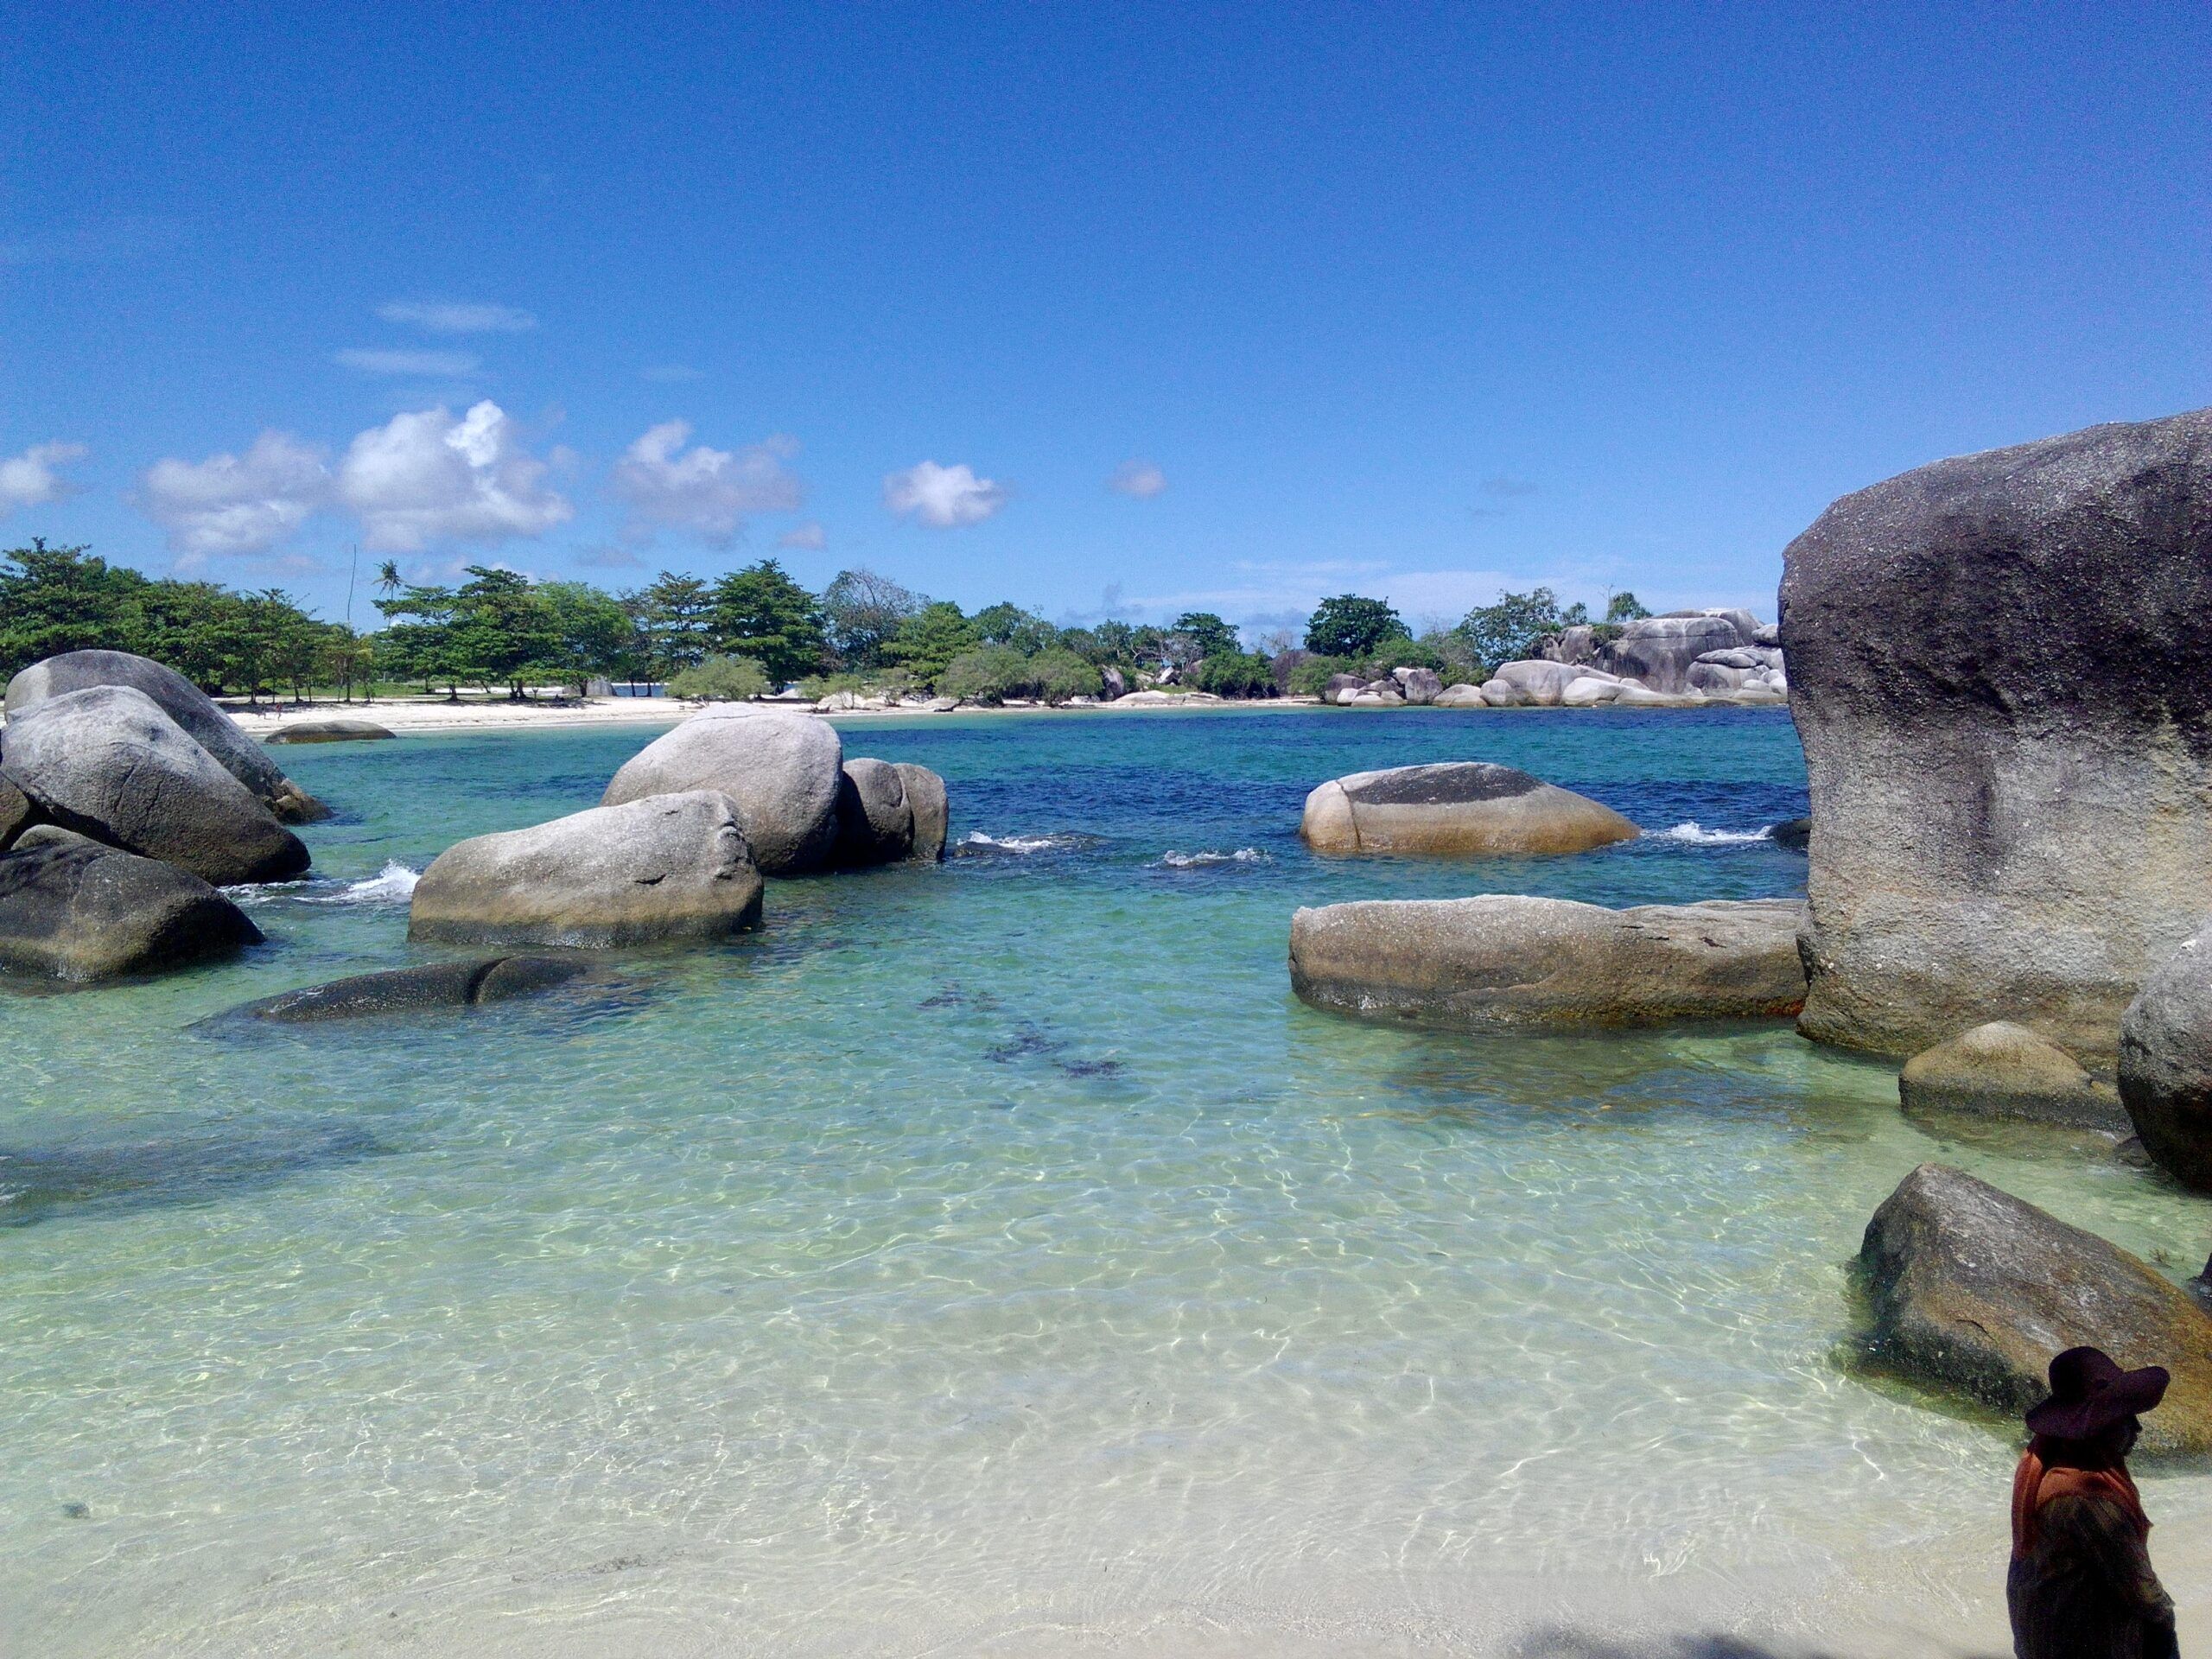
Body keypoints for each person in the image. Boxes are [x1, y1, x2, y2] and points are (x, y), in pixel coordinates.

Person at [2008, 1344, 2179, 1659]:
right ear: (2097, 1429)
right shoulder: (2087, 1498)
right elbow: (2143, 1593)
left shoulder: (2043, 1461)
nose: (2137, 1429)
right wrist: (2167, 1621)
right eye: (2125, 1419)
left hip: (2039, 1638)